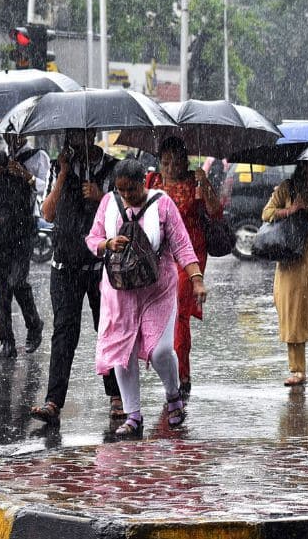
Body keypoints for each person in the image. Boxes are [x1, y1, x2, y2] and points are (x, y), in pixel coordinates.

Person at [87, 159, 207, 436]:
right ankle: (133, 415)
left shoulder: (163, 204)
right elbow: (92, 239)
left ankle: (173, 394)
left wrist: (197, 280)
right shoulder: (108, 203)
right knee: (122, 353)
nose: (126, 196)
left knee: (161, 350)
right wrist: (108, 244)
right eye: (121, 190)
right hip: (119, 292)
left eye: (131, 189)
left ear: (144, 182)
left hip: (158, 288)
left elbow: (182, 246)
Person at [29, 128, 124, 424]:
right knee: (63, 334)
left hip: (99, 267)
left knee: (107, 331)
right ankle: (53, 401)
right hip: (64, 268)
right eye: (69, 134)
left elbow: (125, 213)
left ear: (92, 132)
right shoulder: (61, 167)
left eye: (79, 133)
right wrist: (63, 174)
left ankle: (117, 397)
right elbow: (47, 213)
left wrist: (101, 196)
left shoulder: (113, 168)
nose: (72, 139)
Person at [144, 137, 222, 397]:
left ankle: (182, 374)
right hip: (159, 255)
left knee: (179, 312)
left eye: (175, 162)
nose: (169, 168)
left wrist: (204, 183)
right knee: (157, 312)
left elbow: (215, 212)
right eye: (165, 162)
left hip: (189, 254)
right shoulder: (151, 183)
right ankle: (164, 364)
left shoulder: (195, 182)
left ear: (185, 161)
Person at [261, 161, 308, 386]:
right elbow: (266, 213)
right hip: (292, 260)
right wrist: (291, 210)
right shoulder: (287, 187)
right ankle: (297, 370)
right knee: (293, 312)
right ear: (303, 166)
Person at [0, 133, 48, 359]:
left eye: (15, 133)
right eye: (8, 133)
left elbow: (45, 187)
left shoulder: (37, 156)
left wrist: (25, 175)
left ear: (24, 134)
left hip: (23, 229)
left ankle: (34, 324)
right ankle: (7, 343)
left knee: (17, 281)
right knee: (2, 290)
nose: (11, 137)